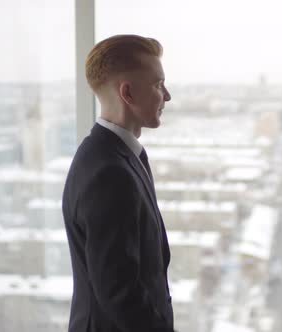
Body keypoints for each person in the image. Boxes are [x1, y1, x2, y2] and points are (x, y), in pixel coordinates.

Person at [62, 34, 174, 332]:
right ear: (128, 93)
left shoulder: (116, 155)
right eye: (158, 84)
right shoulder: (108, 172)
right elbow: (120, 292)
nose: (167, 95)